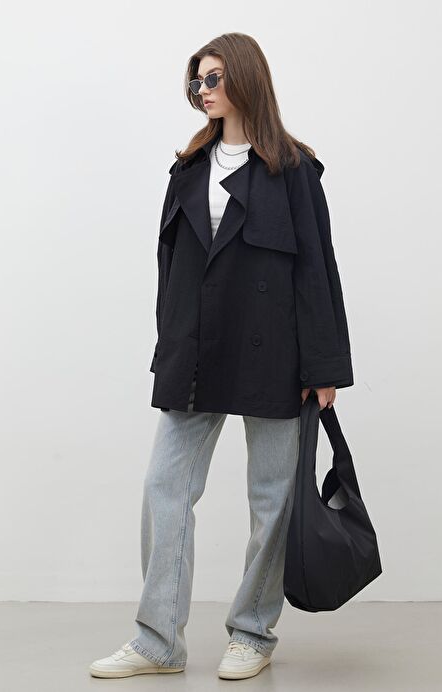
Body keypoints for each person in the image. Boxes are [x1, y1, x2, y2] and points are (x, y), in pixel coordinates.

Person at [90, 31, 353, 681]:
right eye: (196, 81)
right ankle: (157, 641)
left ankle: (252, 632)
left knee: (272, 498)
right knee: (165, 486)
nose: (202, 90)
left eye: (212, 78)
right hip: (196, 349)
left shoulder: (293, 168)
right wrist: (168, 346)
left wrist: (323, 367)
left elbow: (317, 268)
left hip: (274, 350)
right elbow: (171, 270)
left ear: (244, 77)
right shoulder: (187, 169)